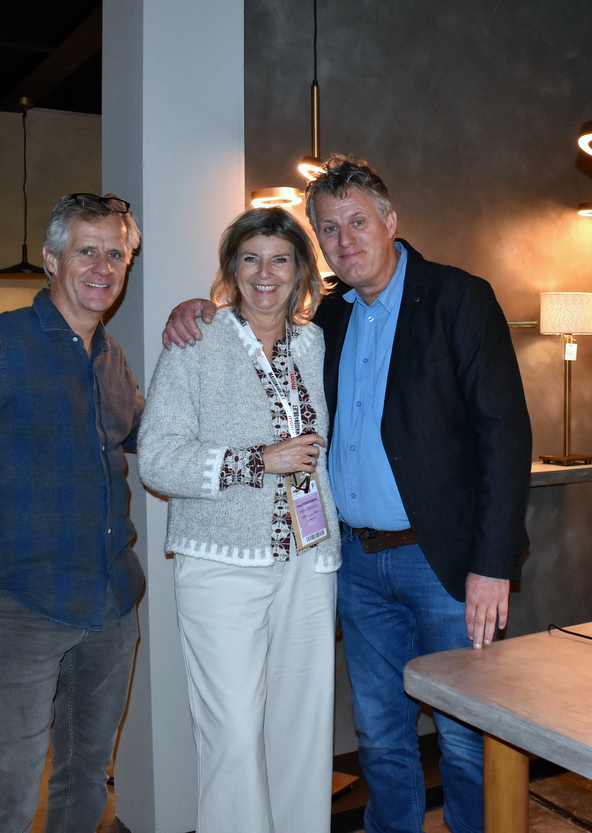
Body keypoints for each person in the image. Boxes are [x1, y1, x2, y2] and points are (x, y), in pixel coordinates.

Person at [163, 155, 531, 833]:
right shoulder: (324, 321)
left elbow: (505, 435)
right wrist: (197, 310)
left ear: (390, 220)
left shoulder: (458, 297)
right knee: (381, 736)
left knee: (463, 736)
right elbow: (249, 325)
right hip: (355, 564)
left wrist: (493, 563)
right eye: (329, 229)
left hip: (445, 564)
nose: (345, 240)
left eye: (357, 222)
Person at [0, 193, 145, 832]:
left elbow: (148, 435)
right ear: (51, 259)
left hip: (111, 604)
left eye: (115, 254)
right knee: (10, 789)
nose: (102, 267)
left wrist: (199, 324)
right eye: (86, 251)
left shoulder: (111, 357)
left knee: (86, 777)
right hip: (19, 606)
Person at [139, 207, 340, 832]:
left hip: (309, 562)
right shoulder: (196, 341)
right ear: (231, 269)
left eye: (280, 259)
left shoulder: (314, 342)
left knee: (304, 730)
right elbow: (157, 459)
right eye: (251, 258)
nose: (265, 273)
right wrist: (258, 461)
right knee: (231, 732)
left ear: (300, 270)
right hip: (220, 563)